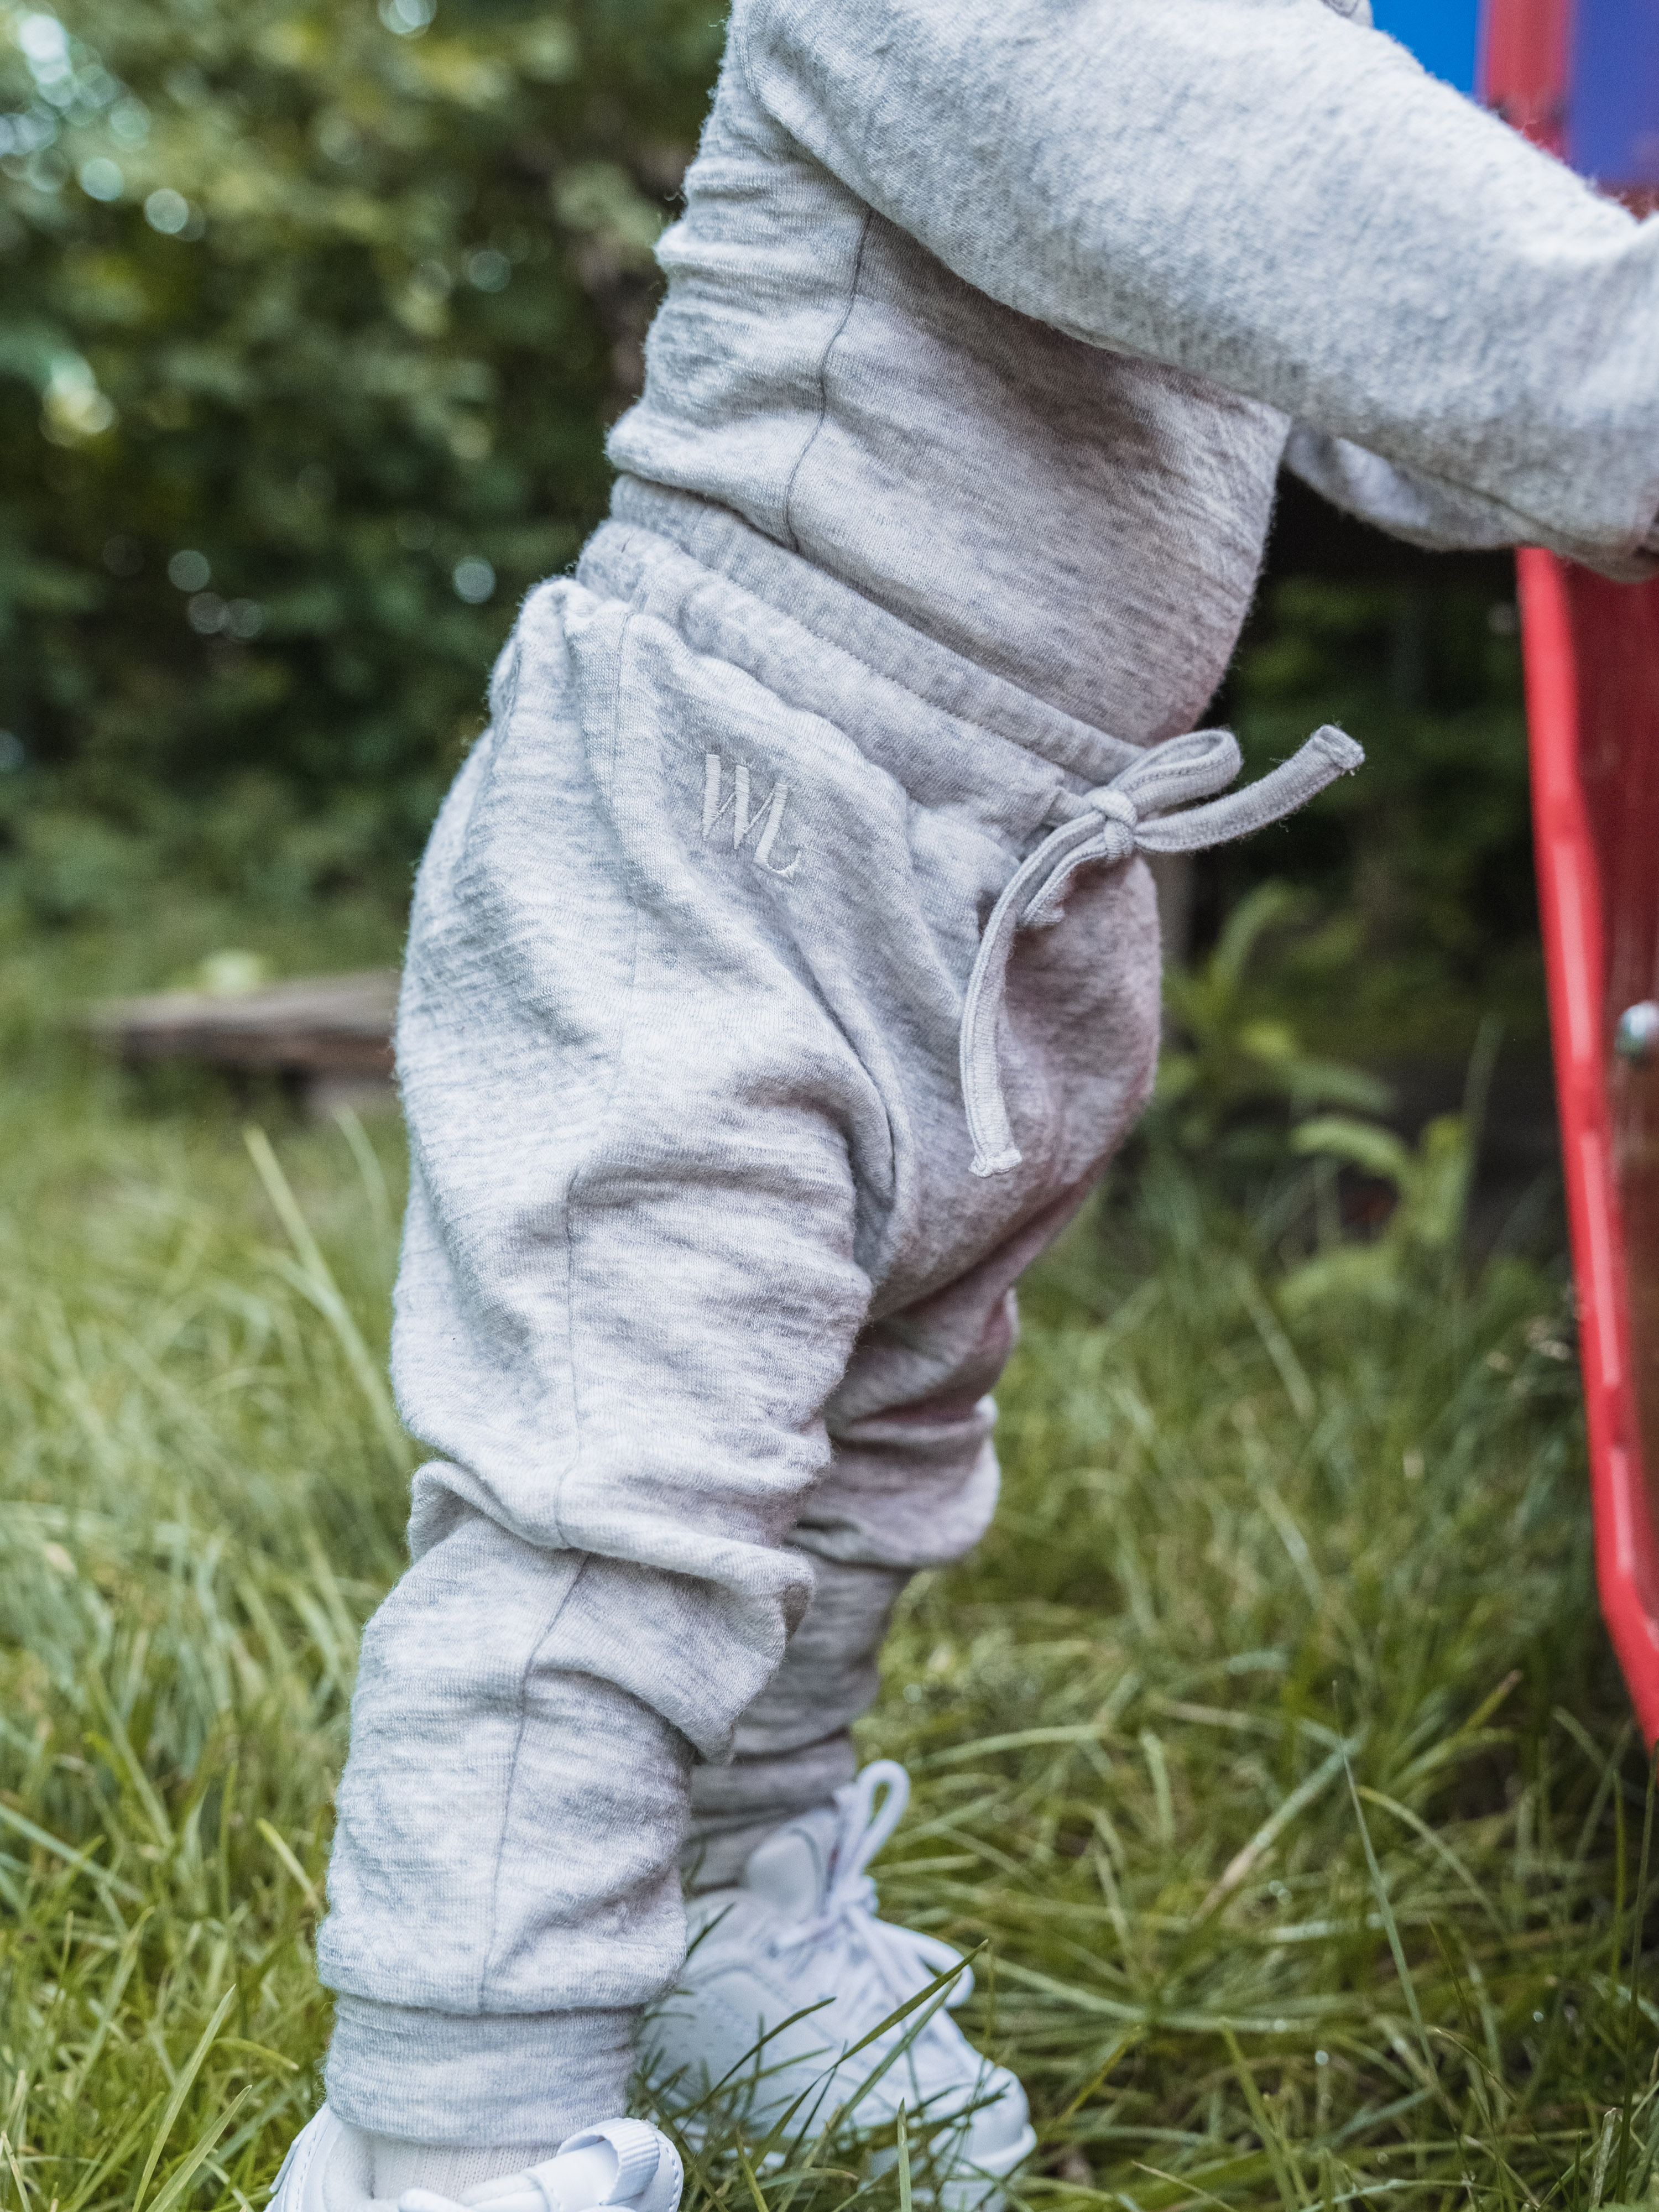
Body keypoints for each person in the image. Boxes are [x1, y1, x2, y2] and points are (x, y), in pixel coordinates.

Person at [269, 0, 1659, 2205]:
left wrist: (1571, 314)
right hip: (727, 834)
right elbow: (1437, 287)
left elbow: (1382, 359)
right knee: (622, 1501)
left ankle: (735, 1921)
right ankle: (457, 2122)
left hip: (1017, 863)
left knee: (873, 1453)